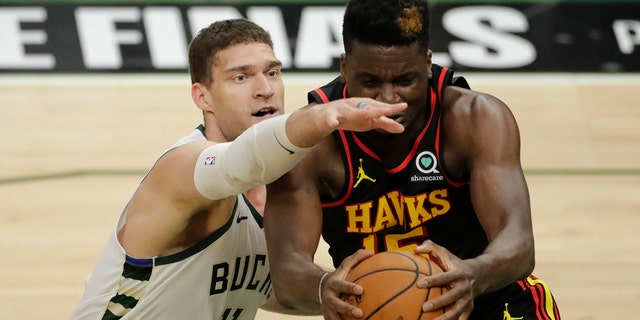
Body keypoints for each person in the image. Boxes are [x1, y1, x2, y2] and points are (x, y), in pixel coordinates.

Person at [69, 18, 406, 320]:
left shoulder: (279, 195)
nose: (265, 89)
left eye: (272, 72)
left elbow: (274, 294)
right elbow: (240, 162)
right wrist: (320, 116)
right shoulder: (182, 167)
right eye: (241, 77)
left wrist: (348, 291)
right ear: (203, 98)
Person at [263, 0, 561, 319]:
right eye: (371, 83)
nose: (389, 100)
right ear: (344, 66)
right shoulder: (309, 142)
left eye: (406, 81)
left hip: (489, 300)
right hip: (375, 309)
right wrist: (324, 288)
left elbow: (517, 242)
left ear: (428, 63)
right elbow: (286, 270)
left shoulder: (475, 119)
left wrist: (474, 274)